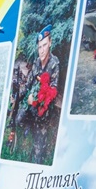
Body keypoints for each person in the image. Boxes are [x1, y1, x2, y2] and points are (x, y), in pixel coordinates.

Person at [20, 25, 61, 165]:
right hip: (32, 106)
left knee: (38, 151)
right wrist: (20, 95)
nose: (42, 50)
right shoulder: (37, 62)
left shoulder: (54, 64)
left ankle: (38, 152)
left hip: (44, 111)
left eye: (44, 45)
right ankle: (28, 125)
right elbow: (29, 82)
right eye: (39, 47)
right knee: (19, 117)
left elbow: (53, 92)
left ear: (50, 43)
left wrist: (36, 100)